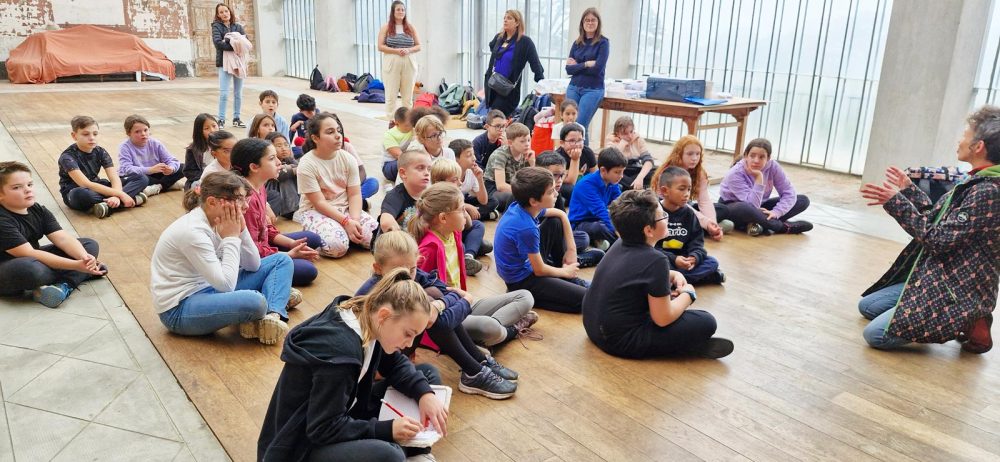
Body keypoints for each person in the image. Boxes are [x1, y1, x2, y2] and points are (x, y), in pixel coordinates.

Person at [257, 268, 447, 462]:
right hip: (300, 446)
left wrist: (425, 394)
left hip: (344, 410)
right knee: (390, 455)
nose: (409, 343)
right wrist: (385, 430)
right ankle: (406, 449)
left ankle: (414, 448)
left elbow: (395, 363)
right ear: (384, 316)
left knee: (427, 376)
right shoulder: (340, 354)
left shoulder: (368, 315)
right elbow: (323, 428)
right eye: (408, 334)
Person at [858, 106, 1000, 353]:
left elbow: (939, 240)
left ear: (978, 146)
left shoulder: (988, 191)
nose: (959, 140)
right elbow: (938, 220)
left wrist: (896, 203)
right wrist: (909, 191)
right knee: (868, 307)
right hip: (937, 276)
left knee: (876, 335)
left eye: (965, 134)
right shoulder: (977, 179)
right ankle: (961, 316)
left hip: (957, 289)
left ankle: (971, 317)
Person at [358, 232, 519, 399]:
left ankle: (478, 363)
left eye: (412, 269)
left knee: (433, 296)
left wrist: (439, 305)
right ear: (378, 268)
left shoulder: (410, 277)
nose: (407, 276)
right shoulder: (372, 294)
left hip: (398, 348)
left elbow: (447, 291)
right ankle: (474, 369)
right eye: (398, 271)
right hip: (378, 365)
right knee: (427, 307)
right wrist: (464, 302)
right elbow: (446, 312)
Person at [582, 189, 734, 359]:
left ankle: (678, 343)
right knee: (706, 321)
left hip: (593, 328)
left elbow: (635, 274)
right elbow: (663, 318)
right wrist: (688, 294)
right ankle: (685, 346)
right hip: (620, 341)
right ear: (649, 230)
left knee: (664, 305)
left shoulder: (621, 242)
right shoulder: (657, 260)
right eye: (663, 216)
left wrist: (672, 274)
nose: (667, 218)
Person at [153, 171, 295, 344]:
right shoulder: (192, 231)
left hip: (211, 288)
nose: (246, 206)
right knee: (256, 301)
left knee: (281, 261)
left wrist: (242, 231)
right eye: (239, 199)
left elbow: (253, 265)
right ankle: (272, 298)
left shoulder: (219, 220)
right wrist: (231, 238)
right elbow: (226, 285)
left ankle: (271, 317)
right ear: (212, 202)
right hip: (180, 309)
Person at [405, 185, 537, 346]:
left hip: (463, 303)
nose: (466, 214)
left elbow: (470, 223)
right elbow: (419, 301)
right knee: (490, 327)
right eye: (462, 210)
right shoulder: (428, 249)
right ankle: (509, 330)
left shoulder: (453, 234)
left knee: (525, 297)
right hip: (447, 314)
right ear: (443, 218)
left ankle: (485, 335)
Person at [0, 161, 106, 308]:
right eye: (17, 187)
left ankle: (64, 286)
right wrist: (76, 265)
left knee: (88, 245)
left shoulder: (37, 209)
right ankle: (79, 275)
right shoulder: (2, 220)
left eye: (29, 184)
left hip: (34, 258)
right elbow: (29, 253)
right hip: (11, 268)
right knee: (31, 270)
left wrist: (84, 258)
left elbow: (62, 238)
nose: (27, 190)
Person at [230, 137, 321, 287]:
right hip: (250, 259)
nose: (279, 162)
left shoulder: (259, 186)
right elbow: (252, 250)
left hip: (262, 243)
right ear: (254, 167)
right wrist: (288, 255)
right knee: (308, 270)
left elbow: (265, 229)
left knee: (312, 238)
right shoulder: (246, 201)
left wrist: (291, 243)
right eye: (272, 158)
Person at [495, 167, 587, 313]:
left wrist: (571, 249)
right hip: (521, 281)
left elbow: (560, 214)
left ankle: (563, 279)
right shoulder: (526, 228)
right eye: (550, 192)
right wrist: (565, 272)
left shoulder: (523, 207)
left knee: (555, 221)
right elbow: (539, 270)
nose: (556, 193)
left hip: (530, 266)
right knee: (586, 299)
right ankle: (528, 297)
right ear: (533, 201)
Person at [294, 112, 378, 258]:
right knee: (337, 247)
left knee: (378, 238)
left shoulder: (348, 159)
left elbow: (354, 194)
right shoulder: (307, 164)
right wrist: (345, 222)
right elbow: (319, 203)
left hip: (345, 208)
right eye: (330, 132)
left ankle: (346, 235)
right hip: (317, 211)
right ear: (315, 138)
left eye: (338, 130)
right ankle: (326, 234)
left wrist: (354, 221)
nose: (338, 135)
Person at [58, 116, 148, 219]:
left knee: (141, 178)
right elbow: (85, 184)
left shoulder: (100, 151)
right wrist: (121, 195)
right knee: (81, 194)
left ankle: (106, 206)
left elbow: (114, 178)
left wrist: (116, 196)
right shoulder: (67, 157)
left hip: (98, 187)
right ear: (74, 136)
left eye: (95, 134)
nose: (92, 138)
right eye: (86, 134)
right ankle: (128, 200)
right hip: (77, 191)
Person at [718, 138, 812, 236]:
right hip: (734, 207)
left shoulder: (773, 167)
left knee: (802, 200)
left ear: (768, 158)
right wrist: (759, 177)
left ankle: (759, 223)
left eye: (761, 157)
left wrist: (776, 212)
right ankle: (783, 227)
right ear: (746, 155)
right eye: (752, 156)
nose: (756, 161)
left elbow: (789, 192)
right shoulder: (735, 173)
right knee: (745, 208)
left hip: (760, 207)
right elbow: (752, 206)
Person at [653, 167, 725, 285]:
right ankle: (697, 278)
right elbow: (650, 247)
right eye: (682, 189)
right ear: (665, 191)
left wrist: (694, 257)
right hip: (663, 258)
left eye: (689, 189)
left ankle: (671, 281)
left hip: (684, 259)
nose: (687, 194)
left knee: (712, 262)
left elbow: (697, 243)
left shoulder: (689, 214)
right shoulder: (655, 212)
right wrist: (674, 259)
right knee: (654, 264)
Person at [655, 135, 732, 241]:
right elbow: (677, 205)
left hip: (688, 207)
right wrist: (706, 223)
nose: (695, 158)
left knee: (723, 209)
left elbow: (704, 201)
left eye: (698, 154)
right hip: (668, 210)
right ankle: (697, 230)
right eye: (690, 154)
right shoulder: (668, 173)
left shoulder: (699, 172)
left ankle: (703, 229)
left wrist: (712, 224)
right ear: (679, 154)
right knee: (666, 218)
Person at [535, 151, 603, 268]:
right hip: (532, 246)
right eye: (555, 175)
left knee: (583, 237)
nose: (559, 180)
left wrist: (571, 249)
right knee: (555, 221)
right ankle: (569, 262)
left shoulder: (556, 195)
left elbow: (563, 225)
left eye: (562, 175)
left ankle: (567, 260)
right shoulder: (528, 194)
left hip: (551, 243)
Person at [484, 9, 544, 116]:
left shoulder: (525, 42)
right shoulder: (499, 38)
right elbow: (492, 47)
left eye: (509, 18)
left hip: (507, 89)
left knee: (497, 115)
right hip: (492, 85)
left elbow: (536, 64)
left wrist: (541, 84)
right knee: (494, 117)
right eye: (504, 18)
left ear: (517, 23)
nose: (505, 20)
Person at [565, 7, 608, 148]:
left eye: (593, 20)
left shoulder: (603, 43)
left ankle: (583, 157)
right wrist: (586, 64)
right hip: (574, 87)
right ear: (582, 23)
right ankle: (574, 156)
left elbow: (597, 69)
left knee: (580, 126)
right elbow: (568, 69)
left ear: (598, 22)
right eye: (587, 20)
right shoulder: (577, 43)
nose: (590, 23)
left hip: (593, 90)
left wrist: (577, 66)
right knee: (570, 125)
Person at [568, 147, 625, 250]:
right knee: (601, 227)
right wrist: (620, 232)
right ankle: (625, 245)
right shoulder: (586, 185)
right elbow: (600, 211)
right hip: (580, 223)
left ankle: (602, 241)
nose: (621, 176)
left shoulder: (613, 182)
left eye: (622, 172)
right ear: (603, 170)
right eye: (617, 172)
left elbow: (620, 204)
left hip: (598, 220)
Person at [118, 114, 184, 197]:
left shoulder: (155, 143)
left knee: (183, 167)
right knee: (143, 180)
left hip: (154, 174)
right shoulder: (125, 147)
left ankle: (159, 186)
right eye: (137, 132)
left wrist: (171, 168)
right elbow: (127, 169)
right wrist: (150, 170)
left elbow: (171, 160)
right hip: (137, 176)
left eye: (145, 130)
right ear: (129, 133)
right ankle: (168, 184)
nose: (143, 134)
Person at [378, 0, 421, 119]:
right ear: (393, 12)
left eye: (403, 10)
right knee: (391, 94)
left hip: (409, 61)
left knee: (407, 96)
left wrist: (409, 50)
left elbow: (418, 46)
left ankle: (408, 120)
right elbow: (380, 46)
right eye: (398, 9)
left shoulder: (410, 27)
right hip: (392, 61)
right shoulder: (386, 28)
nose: (401, 12)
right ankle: (392, 120)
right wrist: (396, 51)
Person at [484, 122, 535, 213]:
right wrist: (524, 192)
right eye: (522, 141)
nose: (527, 144)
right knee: (519, 198)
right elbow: (501, 186)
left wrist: (532, 163)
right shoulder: (500, 155)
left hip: (514, 186)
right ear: (510, 142)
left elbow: (531, 179)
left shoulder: (526, 154)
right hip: (493, 188)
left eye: (528, 140)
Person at [212, 2, 247, 129]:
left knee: (238, 93)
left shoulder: (238, 27)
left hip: (238, 63)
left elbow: (245, 42)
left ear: (230, 12)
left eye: (226, 11)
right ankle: (221, 119)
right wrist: (234, 43)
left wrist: (228, 41)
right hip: (224, 63)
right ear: (218, 15)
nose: (224, 14)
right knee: (224, 93)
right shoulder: (216, 27)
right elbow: (218, 43)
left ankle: (236, 118)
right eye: (221, 12)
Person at [448, 139, 498, 220]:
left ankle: (466, 217)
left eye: (473, 154)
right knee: (450, 209)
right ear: (456, 159)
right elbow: (445, 201)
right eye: (469, 155)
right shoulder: (448, 173)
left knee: (492, 201)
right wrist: (467, 206)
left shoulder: (471, 171)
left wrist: (480, 179)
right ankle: (482, 215)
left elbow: (483, 201)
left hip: (463, 199)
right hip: (450, 203)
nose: (474, 158)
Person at [606, 116, 655, 190]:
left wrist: (640, 177)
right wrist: (621, 145)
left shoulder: (638, 140)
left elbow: (648, 160)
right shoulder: (611, 141)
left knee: (657, 171)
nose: (630, 136)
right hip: (620, 170)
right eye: (625, 133)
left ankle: (631, 186)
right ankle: (637, 188)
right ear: (617, 133)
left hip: (635, 169)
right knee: (611, 173)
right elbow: (609, 161)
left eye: (631, 131)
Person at [554, 122, 597, 202]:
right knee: (571, 189)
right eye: (572, 141)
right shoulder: (557, 157)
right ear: (562, 143)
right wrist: (575, 159)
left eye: (580, 140)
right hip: (566, 187)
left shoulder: (587, 152)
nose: (577, 144)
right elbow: (571, 181)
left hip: (585, 184)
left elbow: (594, 174)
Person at [263, 132, 299, 218]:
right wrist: (293, 170)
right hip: (273, 193)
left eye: (286, 145)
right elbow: (276, 174)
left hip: (289, 198)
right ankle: (292, 210)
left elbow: (301, 168)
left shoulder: (289, 160)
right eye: (279, 146)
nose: (284, 148)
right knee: (286, 177)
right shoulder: (267, 160)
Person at [183, 113, 219, 191]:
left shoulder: (225, 144)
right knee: (197, 186)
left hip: (222, 178)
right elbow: (189, 171)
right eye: (206, 128)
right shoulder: (193, 149)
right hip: (203, 180)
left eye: (214, 126)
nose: (212, 130)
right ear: (199, 131)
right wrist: (207, 177)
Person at [382, 107, 413, 184]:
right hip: (391, 164)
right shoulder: (389, 135)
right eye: (407, 125)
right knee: (405, 164)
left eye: (412, 123)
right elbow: (399, 156)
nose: (411, 127)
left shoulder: (413, 129)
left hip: (410, 159)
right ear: (397, 123)